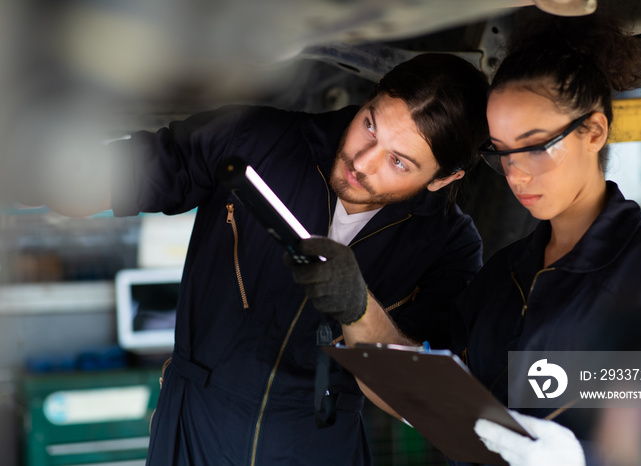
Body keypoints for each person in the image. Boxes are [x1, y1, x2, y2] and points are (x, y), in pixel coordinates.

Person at [41, 53, 488, 465]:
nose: (363, 161)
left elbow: (423, 403)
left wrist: (359, 309)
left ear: (445, 178)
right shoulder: (258, 139)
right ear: (367, 100)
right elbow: (121, 175)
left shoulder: (449, 246)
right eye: (370, 125)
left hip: (317, 446)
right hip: (195, 426)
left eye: (398, 161)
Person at [445, 10, 641, 466]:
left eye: (535, 145)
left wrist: (580, 458)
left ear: (594, 131)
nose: (514, 173)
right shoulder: (503, 273)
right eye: (501, 152)